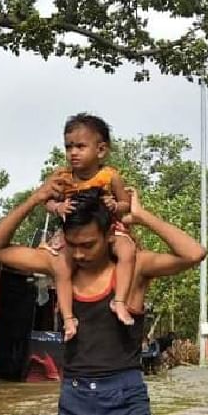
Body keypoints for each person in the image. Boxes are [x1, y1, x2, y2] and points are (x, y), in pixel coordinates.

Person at [0, 177, 206, 415]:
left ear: (108, 236)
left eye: (88, 244)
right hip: (75, 407)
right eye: (73, 245)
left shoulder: (136, 269)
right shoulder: (60, 266)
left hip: (127, 403)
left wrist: (142, 216)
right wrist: (35, 198)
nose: (80, 253)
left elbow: (194, 253)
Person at [42, 113, 137, 338]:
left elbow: (127, 204)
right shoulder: (62, 176)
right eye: (69, 147)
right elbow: (46, 200)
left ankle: (120, 301)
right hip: (72, 234)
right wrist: (58, 208)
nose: (73, 152)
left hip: (108, 230)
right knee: (61, 268)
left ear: (101, 150)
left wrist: (115, 205)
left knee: (128, 251)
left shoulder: (109, 176)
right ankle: (67, 319)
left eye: (81, 146)